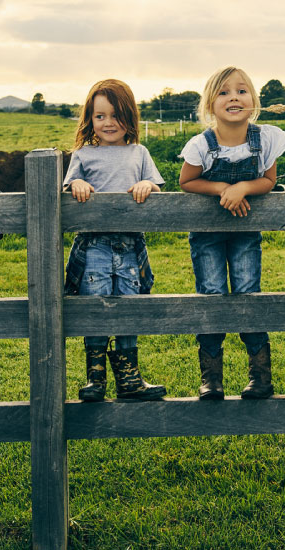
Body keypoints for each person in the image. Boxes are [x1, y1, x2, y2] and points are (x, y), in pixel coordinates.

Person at [178, 66, 285, 400]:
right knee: (211, 294)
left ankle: (260, 376)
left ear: (253, 100)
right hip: (208, 234)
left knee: (248, 293)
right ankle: (211, 378)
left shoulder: (265, 139)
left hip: (245, 232)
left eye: (242, 91)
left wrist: (243, 186)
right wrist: (220, 189)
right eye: (224, 92)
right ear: (210, 104)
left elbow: (268, 181)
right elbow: (187, 182)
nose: (234, 98)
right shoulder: (201, 145)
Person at [63, 78, 167, 402]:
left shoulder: (139, 152)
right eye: (100, 116)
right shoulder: (82, 155)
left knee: (129, 307)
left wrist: (147, 186)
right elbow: (69, 188)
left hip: (129, 247)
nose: (108, 123)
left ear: (130, 116)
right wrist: (77, 184)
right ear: (90, 120)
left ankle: (130, 378)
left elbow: (156, 186)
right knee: (96, 308)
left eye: (116, 114)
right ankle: (95, 378)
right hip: (94, 245)